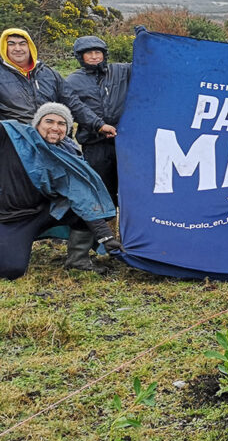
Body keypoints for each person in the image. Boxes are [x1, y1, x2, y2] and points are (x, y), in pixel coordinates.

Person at [1, 103, 120, 280]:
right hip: (7, 218)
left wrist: (107, 238)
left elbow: (83, 196)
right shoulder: (11, 136)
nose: (55, 128)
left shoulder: (68, 154)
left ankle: (77, 261)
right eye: (49, 121)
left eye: (62, 123)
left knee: (83, 206)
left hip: (38, 214)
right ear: (37, 123)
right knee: (12, 270)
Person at [63, 36, 132, 271]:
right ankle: (92, 250)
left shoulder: (121, 72)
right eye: (88, 53)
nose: (94, 56)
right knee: (97, 195)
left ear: (105, 53)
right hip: (95, 145)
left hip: (126, 144)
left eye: (98, 52)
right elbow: (76, 108)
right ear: (80, 57)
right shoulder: (73, 81)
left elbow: (148, 67)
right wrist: (99, 125)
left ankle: (129, 244)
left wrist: (146, 41)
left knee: (130, 194)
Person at [1, 29, 116, 142]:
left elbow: (72, 103)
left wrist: (99, 125)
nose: (18, 48)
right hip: (16, 143)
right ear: (4, 47)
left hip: (52, 142)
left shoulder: (48, 73)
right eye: (11, 44)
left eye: (22, 44)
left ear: (30, 46)